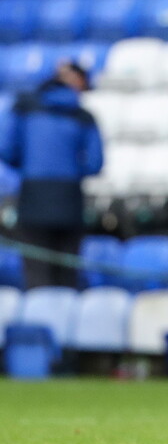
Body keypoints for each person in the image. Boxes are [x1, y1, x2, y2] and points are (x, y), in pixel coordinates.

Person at [0, 61, 103, 289]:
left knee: (37, 270)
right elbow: (95, 163)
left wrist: (29, 166)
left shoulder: (25, 108)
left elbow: (6, 149)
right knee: (67, 273)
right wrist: (71, 171)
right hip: (69, 198)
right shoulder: (83, 116)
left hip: (33, 195)